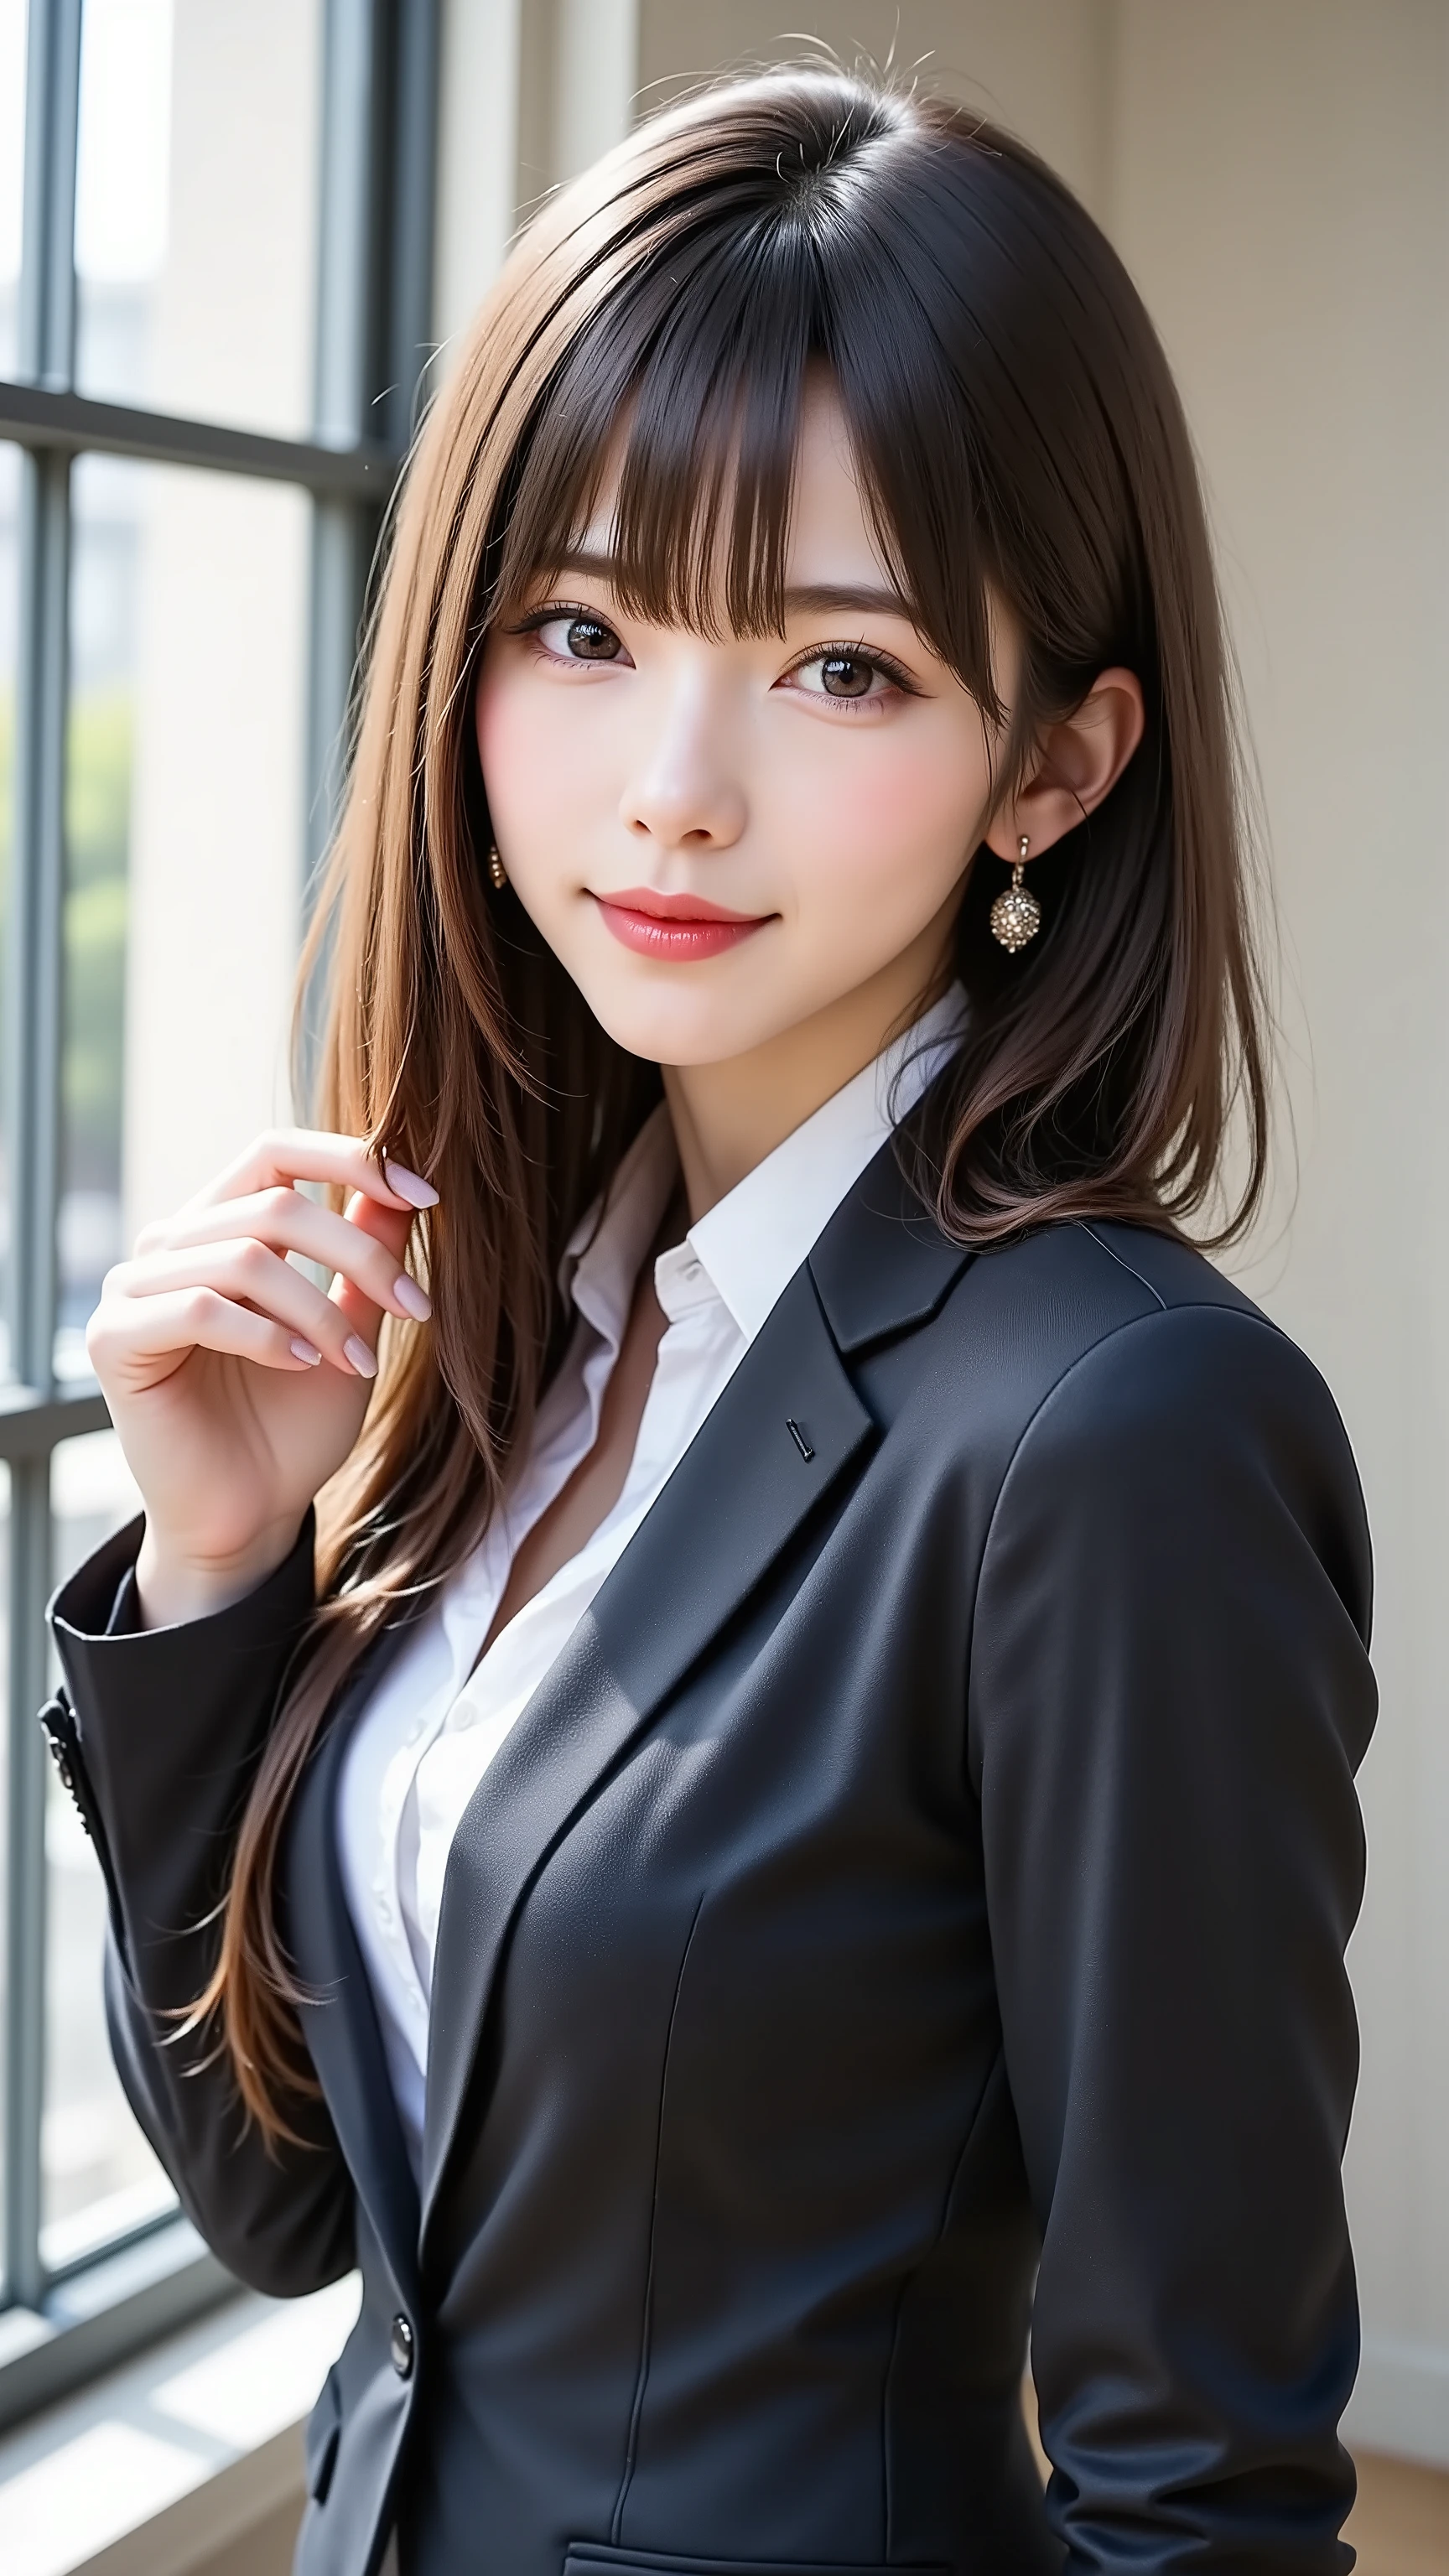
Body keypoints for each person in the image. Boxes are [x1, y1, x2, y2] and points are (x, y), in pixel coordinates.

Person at [47, 67, 1375, 2576]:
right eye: (582, 626)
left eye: (840, 672)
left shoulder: (1117, 1435)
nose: (670, 787)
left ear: (1058, 766)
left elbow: (1202, 2494)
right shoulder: (531, 1331)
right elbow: (307, 2221)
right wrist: (225, 1565)